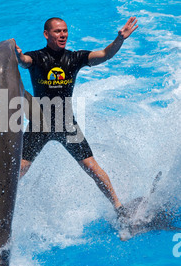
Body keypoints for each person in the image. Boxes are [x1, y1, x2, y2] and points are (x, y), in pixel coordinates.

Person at [13, 16, 138, 220]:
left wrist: (120, 40)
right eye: (57, 31)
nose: (63, 35)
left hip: (65, 122)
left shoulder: (74, 58)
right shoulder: (36, 57)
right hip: (40, 122)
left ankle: (119, 208)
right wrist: (18, 57)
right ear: (47, 34)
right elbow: (24, 62)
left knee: (92, 167)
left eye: (65, 31)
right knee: (19, 170)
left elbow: (105, 54)